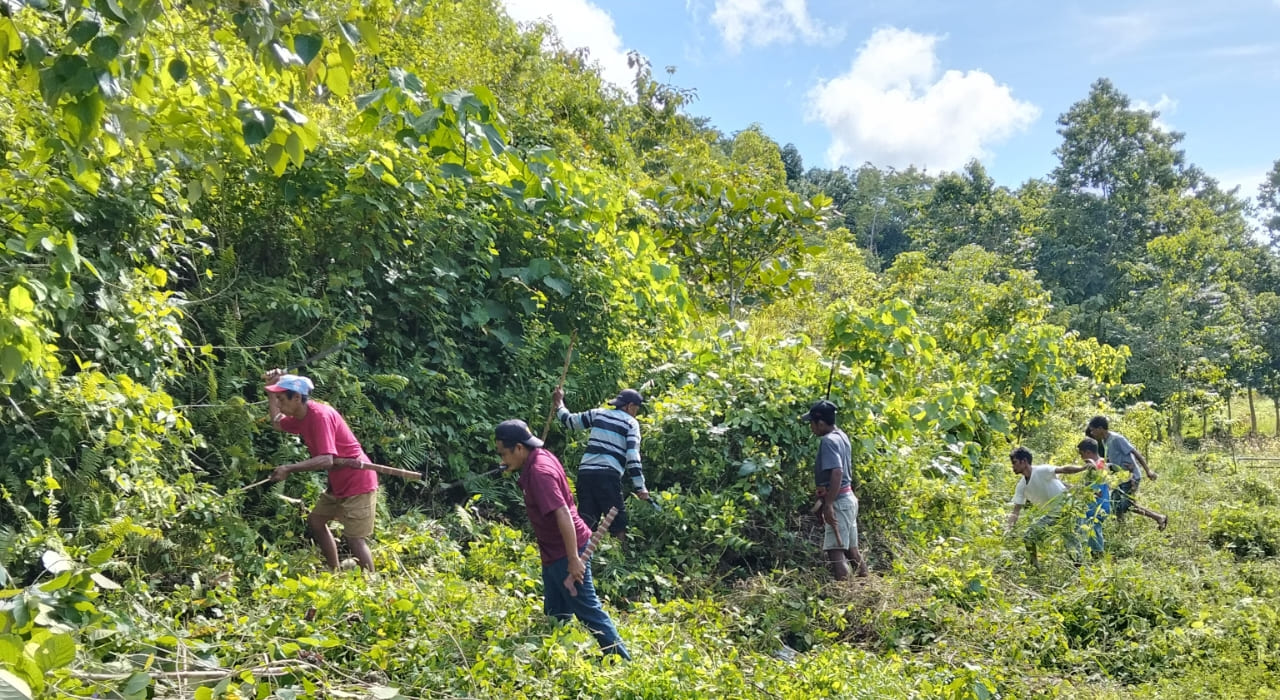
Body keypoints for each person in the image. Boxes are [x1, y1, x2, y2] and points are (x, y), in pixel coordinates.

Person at [494, 419, 630, 659]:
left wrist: (574, 559)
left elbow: (563, 513)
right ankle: (557, 656)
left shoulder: (539, 472)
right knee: (557, 612)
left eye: (504, 453)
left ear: (519, 448)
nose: (502, 460)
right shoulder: (539, 456)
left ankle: (623, 661)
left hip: (566, 552)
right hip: (553, 554)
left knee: (589, 612)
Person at [264, 370, 378, 572]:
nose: (279, 404)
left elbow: (326, 459)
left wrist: (288, 468)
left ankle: (372, 586)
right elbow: (276, 423)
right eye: (277, 399)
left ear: (297, 397)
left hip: (358, 480)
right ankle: (334, 572)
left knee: (354, 539)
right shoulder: (300, 416)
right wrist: (271, 390)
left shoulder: (320, 416)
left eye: (282, 399)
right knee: (316, 521)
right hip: (338, 482)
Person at [552, 387, 651, 547]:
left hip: (586, 474)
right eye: (636, 409)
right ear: (629, 406)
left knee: (587, 519)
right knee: (618, 520)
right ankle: (621, 559)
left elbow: (570, 421)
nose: (636, 412)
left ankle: (579, 555)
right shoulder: (631, 423)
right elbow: (633, 456)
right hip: (607, 475)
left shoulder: (599, 413)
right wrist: (641, 487)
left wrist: (559, 402)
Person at [800, 400, 868, 580]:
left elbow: (837, 472)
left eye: (812, 423)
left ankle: (844, 595)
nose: (811, 427)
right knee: (851, 549)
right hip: (848, 498)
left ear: (820, 423)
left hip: (839, 501)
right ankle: (866, 585)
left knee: (835, 551)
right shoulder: (841, 435)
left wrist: (829, 504)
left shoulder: (828, 441)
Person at [1086, 416, 1168, 531]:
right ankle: (1123, 529)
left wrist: (1148, 470)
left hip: (1130, 476)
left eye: (1093, 430)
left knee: (1124, 505)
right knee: (1117, 504)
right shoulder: (1105, 441)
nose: (1092, 433)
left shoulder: (1117, 438)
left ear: (1100, 428)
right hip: (1121, 477)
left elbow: (1135, 452)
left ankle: (1158, 517)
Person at [1005, 446, 1081, 569]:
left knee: (1071, 542)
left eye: (1015, 463)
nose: (1013, 467)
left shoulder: (1041, 470)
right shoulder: (1021, 486)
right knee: (1029, 537)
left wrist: (1083, 468)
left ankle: (1080, 569)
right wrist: (1008, 528)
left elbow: (1064, 469)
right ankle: (1035, 567)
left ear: (1024, 461)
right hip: (1052, 514)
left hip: (1067, 509)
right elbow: (1015, 511)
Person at [1053, 438, 1112, 559]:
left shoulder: (1097, 467)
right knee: (1092, 532)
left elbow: (1096, 492)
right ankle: (1095, 557)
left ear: (1088, 452)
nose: (1081, 458)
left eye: (1081, 454)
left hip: (1097, 507)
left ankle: (1098, 558)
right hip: (1100, 505)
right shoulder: (1102, 463)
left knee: (1094, 531)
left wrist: (1068, 486)